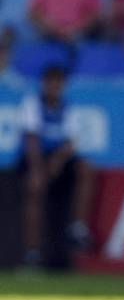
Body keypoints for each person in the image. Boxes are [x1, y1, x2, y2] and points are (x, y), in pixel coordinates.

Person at [18, 64, 94, 268]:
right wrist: (37, 170)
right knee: (34, 189)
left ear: (63, 85)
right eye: (50, 81)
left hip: (58, 158)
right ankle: (32, 253)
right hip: (35, 159)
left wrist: (57, 162)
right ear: (44, 84)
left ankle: (78, 226)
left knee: (86, 169)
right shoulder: (32, 105)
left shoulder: (69, 108)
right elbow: (32, 140)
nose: (54, 86)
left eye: (58, 81)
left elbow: (71, 143)